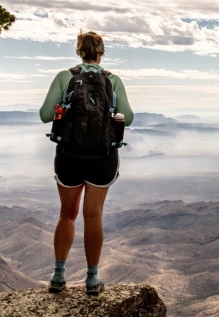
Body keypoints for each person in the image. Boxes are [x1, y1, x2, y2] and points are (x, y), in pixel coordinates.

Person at [39, 31, 133, 296]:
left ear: (78, 52)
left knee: (67, 215)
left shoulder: (64, 77)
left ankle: (58, 276)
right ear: (102, 52)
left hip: (69, 156)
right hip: (103, 158)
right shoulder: (112, 80)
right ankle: (92, 279)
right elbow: (130, 117)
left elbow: (46, 115)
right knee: (93, 216)